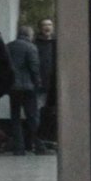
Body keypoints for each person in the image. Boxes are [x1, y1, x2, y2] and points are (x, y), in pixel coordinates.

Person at [7, 24, 42, 155]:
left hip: (13, 87)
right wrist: (37, 83)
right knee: (32, 116)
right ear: (29, 35)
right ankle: (37, 144)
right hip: (28, 87)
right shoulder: (31, 47)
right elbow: (34, 68)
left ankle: (18, 147)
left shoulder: (8, 46)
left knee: (15, 117)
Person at [34, 16, 57, 149]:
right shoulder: (36, 44)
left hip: (55, 85)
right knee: (39, 110)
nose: (47, 27)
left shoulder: (57, 43)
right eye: (44, 25)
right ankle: (39, 138)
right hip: (41, 84)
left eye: (49, 25)